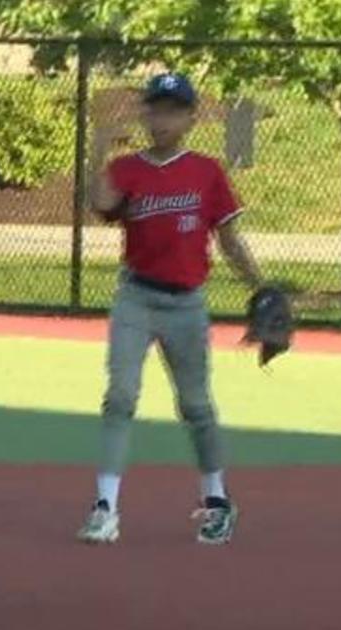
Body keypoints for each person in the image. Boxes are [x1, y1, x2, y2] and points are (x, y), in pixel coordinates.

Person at [77, 73, 264, 546]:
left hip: (186, 303)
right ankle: (105, 506)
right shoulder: (127, 168)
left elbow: (229, 240)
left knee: (197, 405)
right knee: (120, 395)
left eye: (172, 110)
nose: (160, 119)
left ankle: (218, 501)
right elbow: (98, 203)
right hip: (135, 297)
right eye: (153, 109)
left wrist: (261, 286)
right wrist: (98, 146)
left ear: (190, 118)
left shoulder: (206, 171)